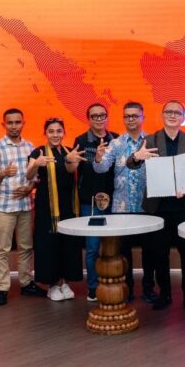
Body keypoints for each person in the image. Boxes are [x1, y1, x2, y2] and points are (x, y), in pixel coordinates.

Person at [127, 100, 185, 311]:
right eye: (168, 112)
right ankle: (165, 294)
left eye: (177, 112)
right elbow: (131, 164)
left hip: (183, 208)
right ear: (162, 115)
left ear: (183, 117)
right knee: (159, 254)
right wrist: (137, 156)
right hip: (157, 208)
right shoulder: (150, 139)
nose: (172, 115)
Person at [93, 101, 156, 303]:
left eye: (135, 115)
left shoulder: (152, 141)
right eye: (127, 116)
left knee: (149, 252)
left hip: (147, 206)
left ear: (143, 117)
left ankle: (148, 289)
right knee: (124, 252)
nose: (131, 119)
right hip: (122, 207)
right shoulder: (116, 144)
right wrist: (98, 158)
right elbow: (101, 169)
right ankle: (127, 289)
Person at [0, 108, 45, 306]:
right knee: (2, 249)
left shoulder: (30, 146)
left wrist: (30, 187)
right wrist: (3, 173)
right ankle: (2, 288)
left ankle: (26, 283)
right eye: (10, 122)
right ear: (4, 124)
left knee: (26, 247)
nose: (14, 126)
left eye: (17, 122)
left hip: (26, 204)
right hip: (5, 206)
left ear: (23, 123)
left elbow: (36, 175)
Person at [26, 118, 86, 301]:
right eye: (51, 131)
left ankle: (65, 283)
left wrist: (70, 160)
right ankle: (52, 285)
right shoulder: (38, 152)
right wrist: (36, 164)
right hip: (48, 208)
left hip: (68, 206)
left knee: (68, 245)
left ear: (64, 132)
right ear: (45, 133)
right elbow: (28, 175)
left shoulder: (69, 151)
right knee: (49, 245)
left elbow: (71, 170)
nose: (55, 135)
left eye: (59, 131)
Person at [74, 103, 117, 303]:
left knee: (113, 246)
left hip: (114, 201)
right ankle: (93, 287)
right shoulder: (81, 141)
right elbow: (78, 169)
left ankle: (112, 281)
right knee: (92, 248)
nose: (99, 119)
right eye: (94, 116)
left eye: (102, 115)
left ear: (107, 117)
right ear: (88, 119)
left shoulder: (116, 139)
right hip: (90, 202)